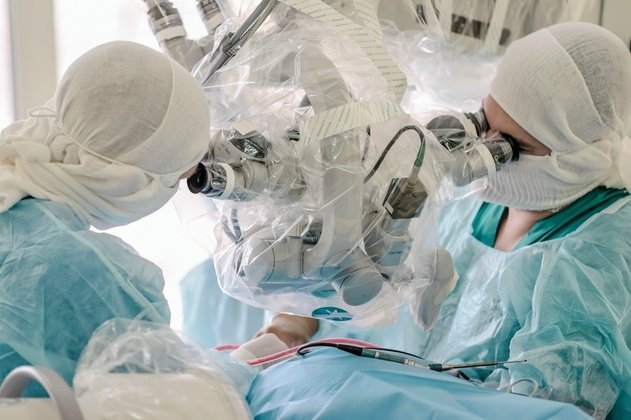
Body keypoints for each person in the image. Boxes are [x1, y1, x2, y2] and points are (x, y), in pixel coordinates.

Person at [255, 21, 631, 419]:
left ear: (577, 152)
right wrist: (291, 325)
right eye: (483, 121)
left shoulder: (600, 254)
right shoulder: (472, 203)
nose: (484, 150)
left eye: (511, 147)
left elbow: (552, 406)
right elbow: (350, 272)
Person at [0, 41, 210, 395]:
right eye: (175, 179)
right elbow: (168, 396)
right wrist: (255, 354)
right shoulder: (74, 270)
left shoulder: (12, 197)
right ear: (125, 178)